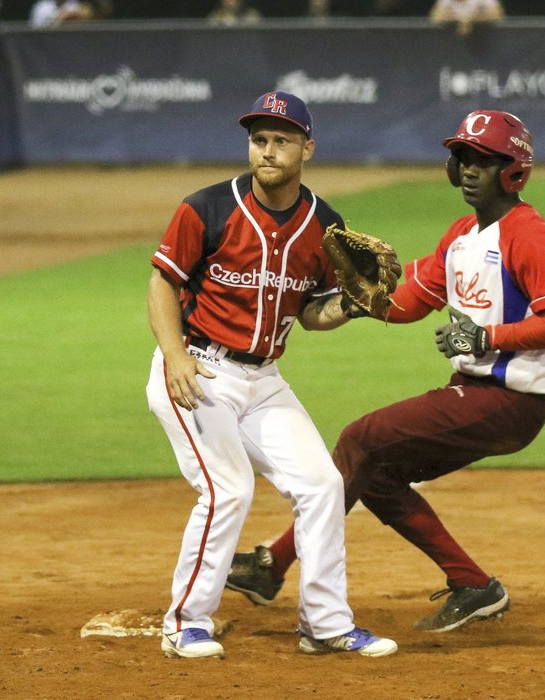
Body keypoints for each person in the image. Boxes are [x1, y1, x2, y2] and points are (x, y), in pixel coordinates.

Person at [225, 109, 545, 633]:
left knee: (361, 438)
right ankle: (473, 584)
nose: (466, 168)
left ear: (514, 171)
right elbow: (408, 301)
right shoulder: (462, 235)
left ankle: (273, 564)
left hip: (511, 401)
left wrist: (490, 336)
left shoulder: (529, 236)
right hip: (475, 392)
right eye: (461, 157)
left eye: (482, 160)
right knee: (376, 472)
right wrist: (356, 297)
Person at [146, 90, 396, 659]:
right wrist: (175, 355)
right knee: (226, 488)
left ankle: (325, 625)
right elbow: (163, 282)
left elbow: (311, 314)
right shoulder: (207, 207)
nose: (268, 150)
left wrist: (353, 306)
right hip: (197, 370)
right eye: (259, 139)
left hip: (264, 381)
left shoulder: (324, 225)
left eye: (281, 140)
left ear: (307, 147)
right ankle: (184, 622)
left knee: (322, 484)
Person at [430, 0, 504, 36]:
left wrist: (469, 20)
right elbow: (436, 16)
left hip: (485, 40)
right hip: (454, 44)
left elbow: (497, 14)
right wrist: (462, 20)